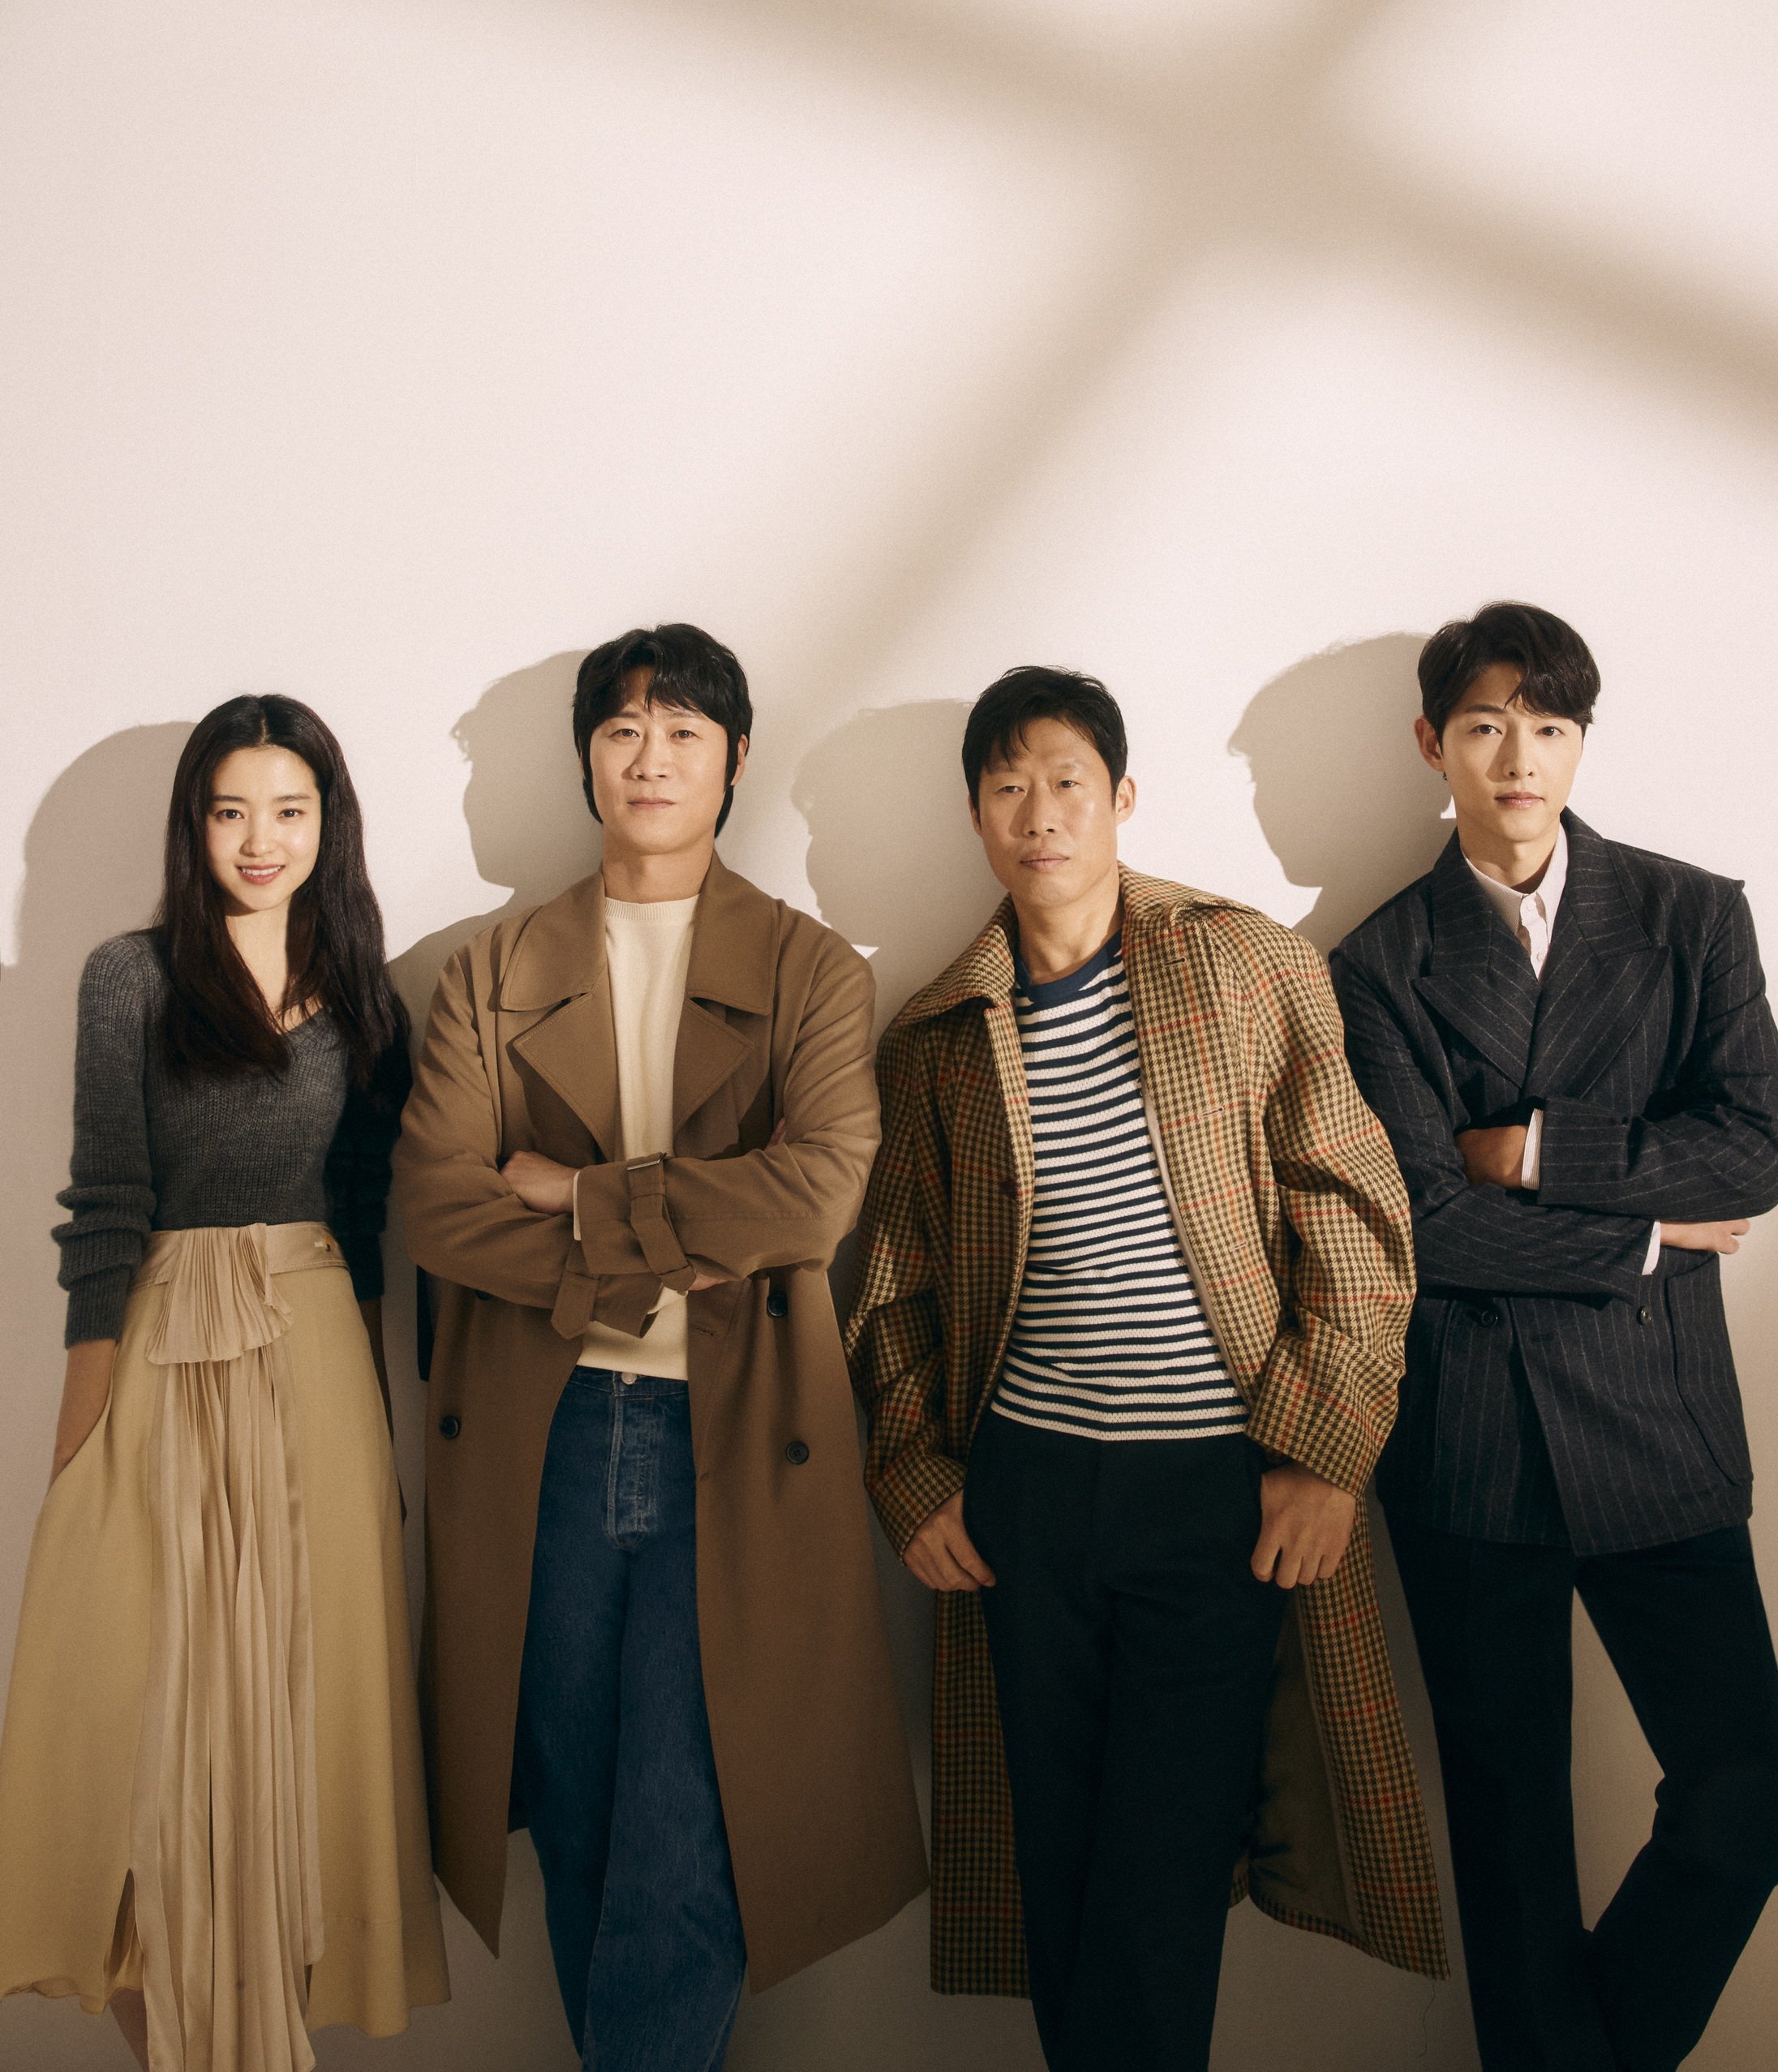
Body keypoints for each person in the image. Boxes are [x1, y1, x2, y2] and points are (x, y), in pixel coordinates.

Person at [846, 664, 1447, 2072]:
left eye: (1067, 781)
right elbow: (895, 1281)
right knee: (1056, 1870)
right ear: (976, 817)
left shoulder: (1240, 964)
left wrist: (1323, 1456)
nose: (1039, 814)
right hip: (1026, 1500)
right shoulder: (941, 1032)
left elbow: (1354, 1214)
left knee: (1158, 1883)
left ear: (1121, 797)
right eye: (1007, 787)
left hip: (1216, 1497)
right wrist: (914, 1472)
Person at [393, 622, 926, 2072]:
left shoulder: (811, 968)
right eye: (623, 729)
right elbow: (439, 1205)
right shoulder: (492, 970)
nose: (651, 757)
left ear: (733, 758)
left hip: (739, 1439)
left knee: (692, 1836)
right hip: (546, 1439)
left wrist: (577, 1199)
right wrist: (657, 1257)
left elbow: (816, 1193)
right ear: (586, 758)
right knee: (576, 1818)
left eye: (684, 730)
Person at [1329, 601, 1778, 2072]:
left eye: (1549, 724)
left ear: (1582, 740)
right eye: (1484, 725)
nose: (1518, 756)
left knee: (1747, 1787)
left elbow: (1754, 1150)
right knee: (1511, 1840)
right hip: (1473, 1440)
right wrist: (1644, 1234)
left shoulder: (1691, 913)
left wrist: (1533, 1152)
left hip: (1660, 1420)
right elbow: (1417, 1223)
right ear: (1432, 744)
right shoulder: (1376, 960)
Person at [0, 695, 449, 2071]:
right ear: (194, 824)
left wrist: (377, 1423)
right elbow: (106, 1201)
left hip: (316, 1352)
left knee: (297, 1731)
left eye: (289, 810)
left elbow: (367, 1220)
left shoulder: (366, 993)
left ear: (329, 823)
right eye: (231, 810)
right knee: (146, 1727)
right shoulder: (128, 978)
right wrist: (82, 1429)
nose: (261, 839)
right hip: (160, 1344)